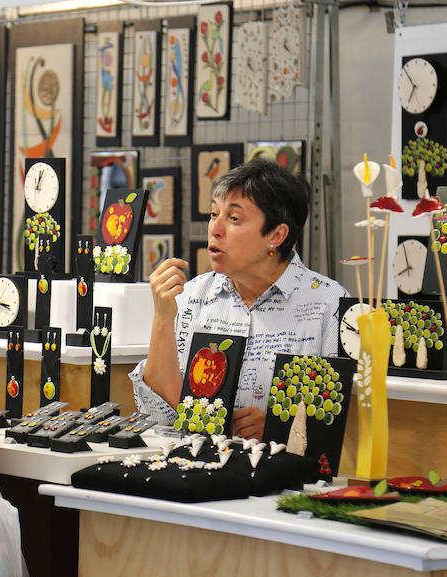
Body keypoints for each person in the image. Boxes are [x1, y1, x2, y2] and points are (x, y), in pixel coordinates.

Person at [130, 158, 349, 441]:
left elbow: (340, 420)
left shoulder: (329, 304)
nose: (215, 229)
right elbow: (160, 416)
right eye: (213, 214)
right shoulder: (192, 296)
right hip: (197, 470)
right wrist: (162, 317)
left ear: (276, 235)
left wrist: (278, 426)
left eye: (234, 219)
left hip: (285, 478)